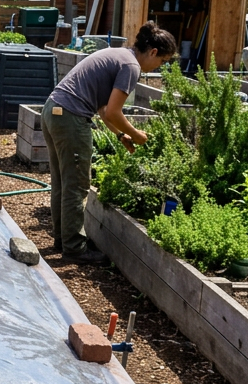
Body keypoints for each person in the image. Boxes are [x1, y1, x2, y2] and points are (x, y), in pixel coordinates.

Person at [41, 21, 177, 264]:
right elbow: (114, 111)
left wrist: (119, 135)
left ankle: (64, 241)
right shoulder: (131, 66)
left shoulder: (120, 55)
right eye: (162, 61)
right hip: (71, 118)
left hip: (53, 110)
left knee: (63, 182)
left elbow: (104, 111)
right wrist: (136, 134)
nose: (159, 67)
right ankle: (74, 248)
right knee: (77, 186)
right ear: (153, 52)